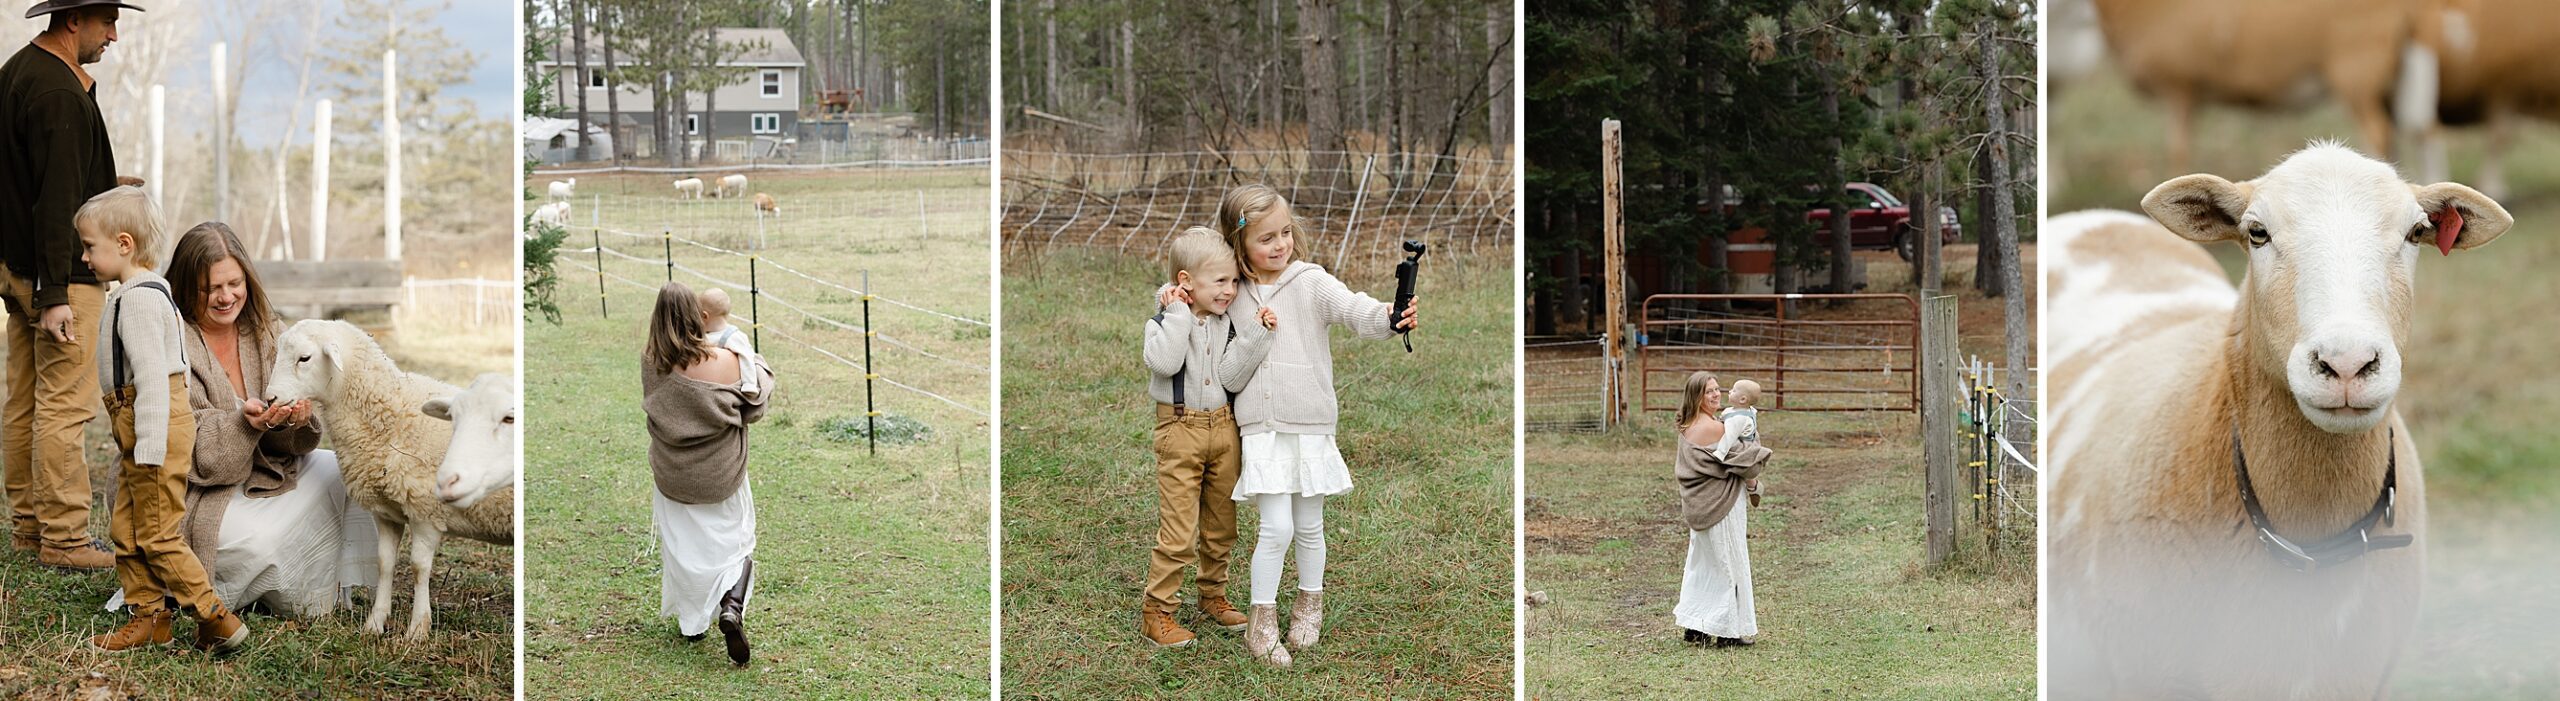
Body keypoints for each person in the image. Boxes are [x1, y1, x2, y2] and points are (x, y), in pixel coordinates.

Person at [100, 221, 381, 620]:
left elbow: (301, 432)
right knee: (259, 543)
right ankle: (257, 587)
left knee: (348, 474)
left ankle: (318, 583)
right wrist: (243, 424)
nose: (226, 297)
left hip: (260, 470)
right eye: (210, 288)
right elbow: (188, 447)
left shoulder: (266, 330)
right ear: (184, 286)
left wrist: (293, 422)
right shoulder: (167, 335)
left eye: (234, 283)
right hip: (190, 486)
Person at [1217, 184, 1418, 668]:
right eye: (1266, 238)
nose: (1280, 244)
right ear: (1239, 243)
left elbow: (1356, 310)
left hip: (1310, 423)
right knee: (1276, 527)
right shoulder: (1233, 294)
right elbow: (1225, 367)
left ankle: (1310, 600)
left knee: (1309, 524)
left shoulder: (1310, 280)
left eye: (1285, 232)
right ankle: (1261, 619)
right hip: (1262, 427)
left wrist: (1389, 316)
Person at [0, 0, 146, 572]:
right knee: (64, 406)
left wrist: (106, 181)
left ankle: (29, 529)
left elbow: (32, 176)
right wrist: (56, 294)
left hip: (23, 268)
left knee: (24, 401)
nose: (114, 33)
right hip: (62, 275)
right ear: (72, 21)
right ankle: (63, 539)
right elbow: (54, 200)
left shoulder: (17, 72)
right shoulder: (59, 92)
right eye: (106, 21)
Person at [72, 186, 248, 653]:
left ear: (124, 244)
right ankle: (149, 616)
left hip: (154, 427)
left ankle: (215, 616)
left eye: (91, 246)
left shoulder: (143, 301)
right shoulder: (132, 293)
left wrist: (148, 444)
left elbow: (155, 376)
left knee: (155, 532)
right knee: (126, 529)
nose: (85, 257)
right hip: (140, 426)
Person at [1136, 227, 1274, 648]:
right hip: (1179, 430)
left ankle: (1212, 594)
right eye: (1220, 281)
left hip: (1224, 428)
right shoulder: (1163, 322)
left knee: (1221, 524)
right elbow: (1164, 361)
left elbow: (1231, 375)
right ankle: (1158, 611)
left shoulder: (1226, 324)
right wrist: (1178, 315)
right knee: (1179, 530)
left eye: (1234, 281)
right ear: (1185, 282)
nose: (1230, 290)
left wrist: (1255, 334)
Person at [643, 282, 775, 667]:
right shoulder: (725, 360)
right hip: (720, 474)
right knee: (736, 540)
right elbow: (757, 401)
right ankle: (731, 604)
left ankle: (692, 624)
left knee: (683, 547)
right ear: (695, 317)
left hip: (672, 473)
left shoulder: (651, 359)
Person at [1672, 372, 1773, 648]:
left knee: (1703, 566)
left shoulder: (1689, 424)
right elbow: (1748, 462)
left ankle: (1697, 627)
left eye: (1718, 389)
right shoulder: (1716, 428)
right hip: (1721, 505)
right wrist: (1754, 485)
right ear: (1696, 397)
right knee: (1729, 564)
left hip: (1700, 507)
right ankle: (1728, 632)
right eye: (1708, 392)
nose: (1716, 395)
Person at [696, 287, 761, 398]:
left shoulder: (733, 336)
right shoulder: (706, 334)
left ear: (704, 316)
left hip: (728, 385)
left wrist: (749, 384)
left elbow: (747, 357)